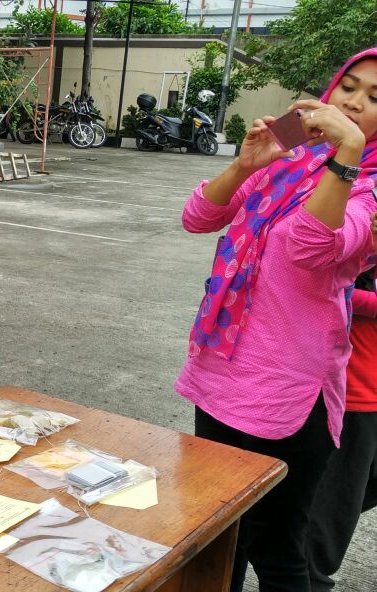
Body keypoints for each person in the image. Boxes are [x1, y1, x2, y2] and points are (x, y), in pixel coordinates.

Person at [175, 48, 377, 591]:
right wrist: (246, 163)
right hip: (224, 369)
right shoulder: (289, 159)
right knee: (217, 533)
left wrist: (349, 151)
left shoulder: (369, 184)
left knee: (278, 551)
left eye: (374, 99)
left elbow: (313, 248)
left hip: (291, 391)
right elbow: (198, 217)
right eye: (349, 87)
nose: (353, 103)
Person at [307, 258, 377, 591]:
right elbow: (332, 284)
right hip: (356, 394)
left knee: (349, 495)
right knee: (332, 513)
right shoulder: (359, 216)